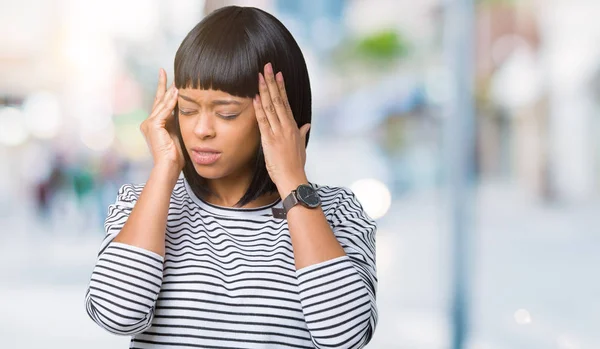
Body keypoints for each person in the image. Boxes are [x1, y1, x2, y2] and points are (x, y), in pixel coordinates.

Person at [84, 5, 378, 349]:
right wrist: (164, 169)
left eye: (226, 113)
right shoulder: (143, 202)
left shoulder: (337, 212)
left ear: (283, 112)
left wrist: (293, 182)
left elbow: (345, 337)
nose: (201, 130)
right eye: (188, 110)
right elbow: (116, 315)